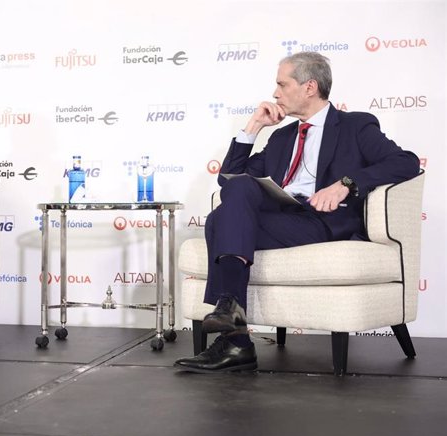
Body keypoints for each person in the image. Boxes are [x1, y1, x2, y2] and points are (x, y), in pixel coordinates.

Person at [174, 52, 420, 373]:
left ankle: (235, 340)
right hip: (283, 218)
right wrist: (253, 127)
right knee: (232, 197)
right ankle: (235, 329)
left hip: (322, 221)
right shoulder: (280, 136)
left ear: (309, 87)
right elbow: (229, 180)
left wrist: (345, 183)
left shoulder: (354, 126)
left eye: (281, 84)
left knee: (221, 220)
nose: (275, 93)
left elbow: (406, 162)